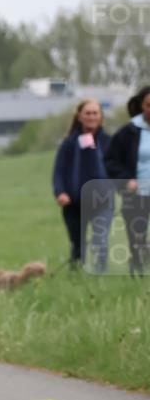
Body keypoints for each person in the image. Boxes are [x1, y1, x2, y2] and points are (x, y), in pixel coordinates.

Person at [52, 98, 114, 273]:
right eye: (88, 113)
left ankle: (101, 277)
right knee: (78, 247)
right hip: (74, 203)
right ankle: (76, 277)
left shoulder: (108, 142)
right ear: (79, 116)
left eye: (95, 113)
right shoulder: (69, 144)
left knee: (101, 242)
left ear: (101, 116)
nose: (92, 117)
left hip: (102, 201)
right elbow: (59, 172)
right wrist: (60, 193)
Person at [106, 85, 150, 276]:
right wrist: (126, 180)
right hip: (136, 193)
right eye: (149, 105)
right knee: (137, 237)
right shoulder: (128, 132)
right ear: (142, 106)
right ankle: (138, 272)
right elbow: (110, 160)